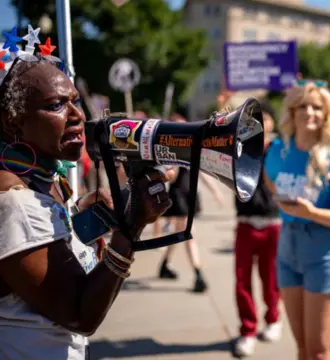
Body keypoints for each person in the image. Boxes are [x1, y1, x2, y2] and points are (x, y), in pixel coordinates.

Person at [0, 45, 170, 358]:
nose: (78, 115)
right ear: (13, 122)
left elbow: (55, 257)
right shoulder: (15, 204)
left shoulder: (43, 183)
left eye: (75, 100)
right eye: (56, 105)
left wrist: (81, 219)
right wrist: (130, 230)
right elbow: (80, 314)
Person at [263, 81, 330, 360]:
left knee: (319, 351)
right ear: (292, 112)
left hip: (324, 252)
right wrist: (282, 200)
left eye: (317, 107)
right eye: (303, 106)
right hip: (287, 249)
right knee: (302, 349)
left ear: (326, 114)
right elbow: (268, 179)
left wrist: (310, 213)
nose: (310, 112)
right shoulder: (278, 150)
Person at [233, 100, 282, 356]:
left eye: (266, 119)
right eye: (255, 119)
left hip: (274, 222)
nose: (261, 124)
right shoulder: (240, 147)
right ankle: (248, 330)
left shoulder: (280, 149)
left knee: (271, 279)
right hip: (246, 222)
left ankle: (273, 319)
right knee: (242, 281)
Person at [157, 112, 224, 293]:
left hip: (191, 196)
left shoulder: (193, 148)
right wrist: (175, 160)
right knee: (188, 233)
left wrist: (215, 191)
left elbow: (201, 172)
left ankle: (164, 265)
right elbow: (169, 177)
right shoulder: (169, 150)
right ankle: (198, 274)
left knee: (180, 233)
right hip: (179, 197)